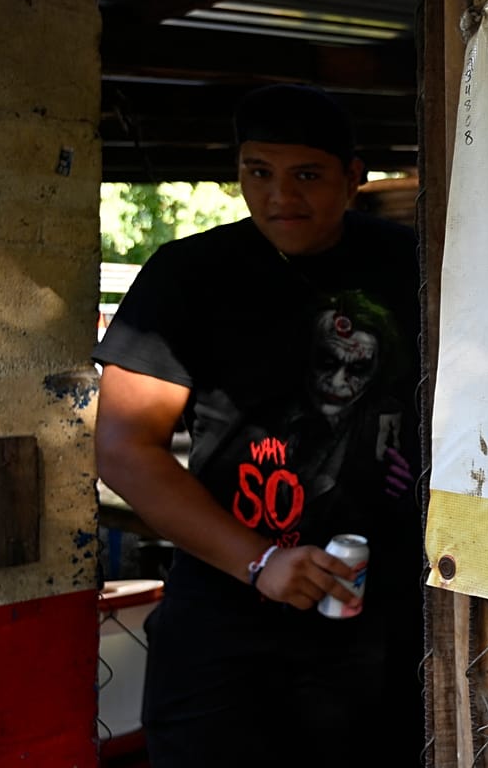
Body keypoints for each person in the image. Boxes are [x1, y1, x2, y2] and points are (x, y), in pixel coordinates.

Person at [93, 84, 423, 767]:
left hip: (381, 620)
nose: (280, 196)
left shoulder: (411, 264)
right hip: (228, 614)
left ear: (353, 177)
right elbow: (125, 449)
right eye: (257, 172)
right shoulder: (190, 275)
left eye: (307, 174)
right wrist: (262, 561)